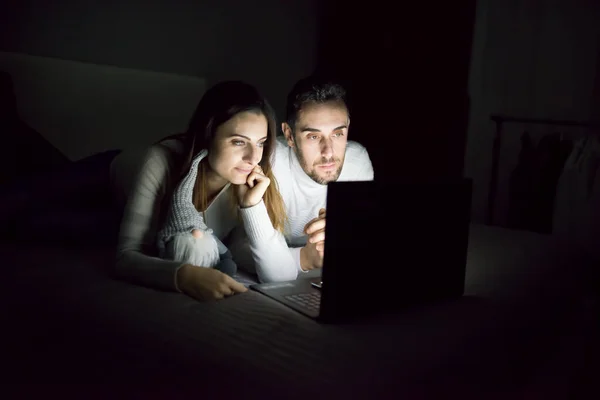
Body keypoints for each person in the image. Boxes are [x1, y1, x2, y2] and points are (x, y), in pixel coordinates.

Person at [112, 80, 298, 301]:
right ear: (208, 135)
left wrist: (252, 207)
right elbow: (125, 257)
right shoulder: (160, 161)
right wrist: (183, 276)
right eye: (239, 142)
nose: (253, 158)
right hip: (107, 175)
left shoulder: (248, 179)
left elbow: (279, 275)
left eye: (261, 143)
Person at [274, 76, 375, 272]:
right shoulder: (271, 161)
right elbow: (239, 247)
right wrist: (304, 258)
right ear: (289, 135)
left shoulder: (357, 161)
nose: (329, 152)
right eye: (313, 136)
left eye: (338, 134)